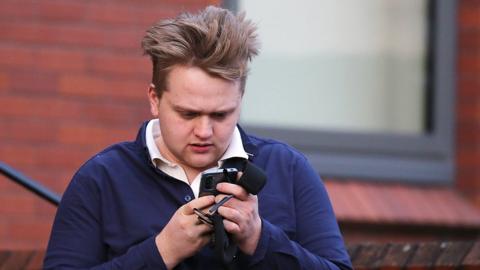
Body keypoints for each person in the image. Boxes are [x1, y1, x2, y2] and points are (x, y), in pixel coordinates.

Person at [44, 5, 352, 270]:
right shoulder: (101, 179)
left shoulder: (288, 169)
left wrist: (259, 239)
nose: (204, 131)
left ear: (240, 99)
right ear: (154, 99)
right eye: (188, 114)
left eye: (221, 115)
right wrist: (160, 252)